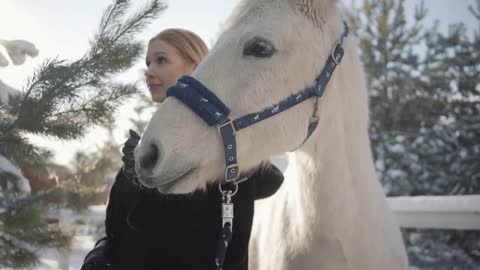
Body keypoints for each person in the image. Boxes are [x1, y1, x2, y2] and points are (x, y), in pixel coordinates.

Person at [80, 28, 284, 270]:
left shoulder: (216, 151)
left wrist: (142, 183)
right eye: (148, 62)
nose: (149, 71)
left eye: (161, 60)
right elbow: (120, 232)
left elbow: (173, 238)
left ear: (197, 68)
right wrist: (101, 255)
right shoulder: (155, 144)